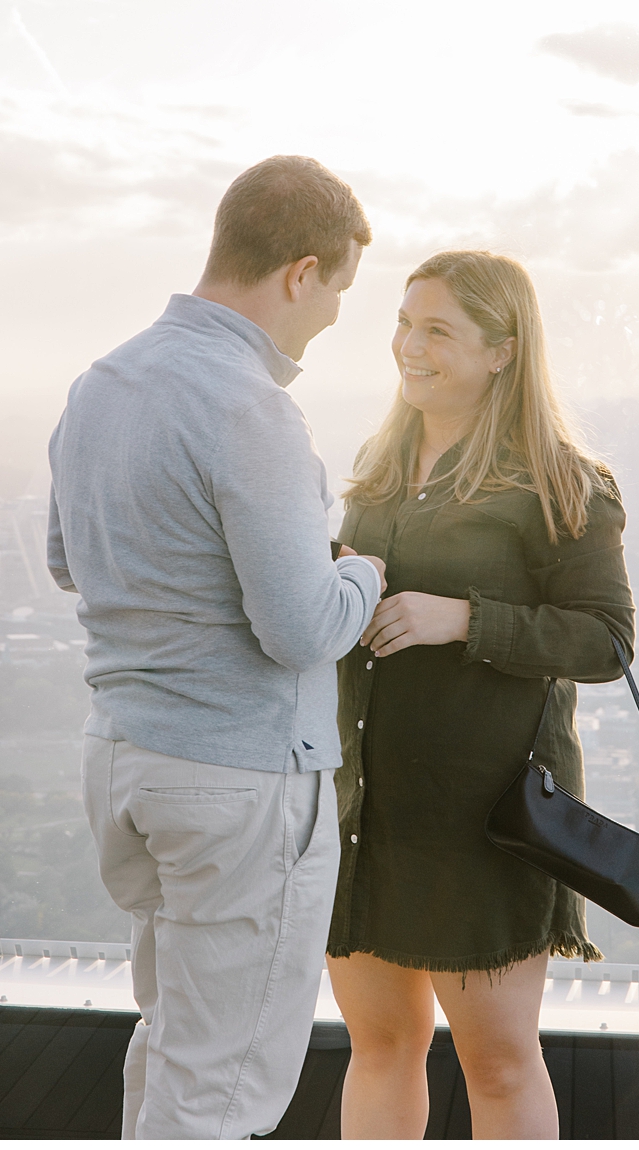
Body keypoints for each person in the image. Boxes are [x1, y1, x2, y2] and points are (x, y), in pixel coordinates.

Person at [46, 155, 388, 1139]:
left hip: (125, 762)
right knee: (222, 1086)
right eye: (338, 292)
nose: (330, 319)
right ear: (300, 271)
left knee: (173, 1050)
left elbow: (69, 559)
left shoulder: (99, 382)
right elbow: (301, 627)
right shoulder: (250, 408)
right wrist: (359, 572)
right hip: (237, 782)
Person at [326, 250, 635, 1140]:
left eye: (436, 331)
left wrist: (463, 618)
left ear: (503, 351)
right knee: (380, 1045)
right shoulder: (380, 466)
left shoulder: (563, 484)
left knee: (497, 1064)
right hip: (368, 812)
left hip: (488, 820)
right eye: (403, 322)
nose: (407, 346)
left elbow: (606, 641)